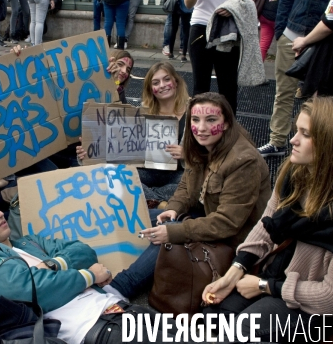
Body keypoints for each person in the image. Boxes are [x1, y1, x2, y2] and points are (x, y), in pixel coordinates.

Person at [202, 96, 333, 341]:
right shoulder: (296, 172)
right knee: (212, 314)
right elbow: (267, 224)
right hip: (277, 276)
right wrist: (235, 270)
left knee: (239, 331)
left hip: (314, 307)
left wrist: (265, 287)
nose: (293, 140)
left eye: (305, 134)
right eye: (297, 130)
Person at [0, 186, 177, 344]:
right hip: (96, 328)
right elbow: (25, 288)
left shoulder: (27, 241)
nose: (0, 214)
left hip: (119, 309)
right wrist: (88, 276)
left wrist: (51, 266)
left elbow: (84, 251)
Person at [108, 92, 271, 299]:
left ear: (227, 123)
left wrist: (175, 231)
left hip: (233, 241)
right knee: (143, 216)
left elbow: (227, 224)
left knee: (171, 233)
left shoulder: (243, 161)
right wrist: (173, 208)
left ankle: (118, 290)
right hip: (204, 216)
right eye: (195, 120)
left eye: (211, 120)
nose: (201, 128)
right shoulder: (200, 143)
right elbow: (186, 185)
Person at [257, 0, 333, 157]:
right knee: (284, 92)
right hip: (292, 32)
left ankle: (314, 147)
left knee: (320, 100)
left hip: (322, 38)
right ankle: (277, 141)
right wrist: (281, 30)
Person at [77, 61, 189, 205]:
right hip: (147, 172)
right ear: (150, 89)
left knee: (189, 185)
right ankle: (159, 202)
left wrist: (188, 153)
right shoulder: (140, 114)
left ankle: (148, 200)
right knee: (117, 176)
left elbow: (213, 151)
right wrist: (89, 150)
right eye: (156, 83)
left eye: (166, 79)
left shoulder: (194, 113)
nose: (162, 85)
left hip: (178, 175)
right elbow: (115, 143)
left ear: (176, 82)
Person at [184, 0, 249, 114]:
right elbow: (188, 3)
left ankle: (229, 136)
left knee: (228, 88)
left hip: (227, 29)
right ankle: (198, 134)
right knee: (201, 88)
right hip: (201, 28)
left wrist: (232, 7)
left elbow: (245, 1)